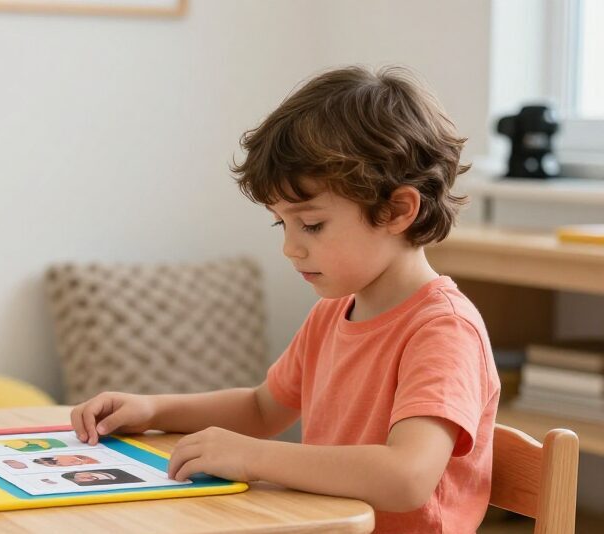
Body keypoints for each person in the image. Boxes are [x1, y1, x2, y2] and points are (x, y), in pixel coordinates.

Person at [69, 65, 500, 533]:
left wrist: (253, 457)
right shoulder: (333, 313)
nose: (290, 247)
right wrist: (153, 410)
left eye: (311, 224)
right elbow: (261, 409)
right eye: (282, 223)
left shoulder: (443, 329)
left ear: (397, 210)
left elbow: (407, 478)